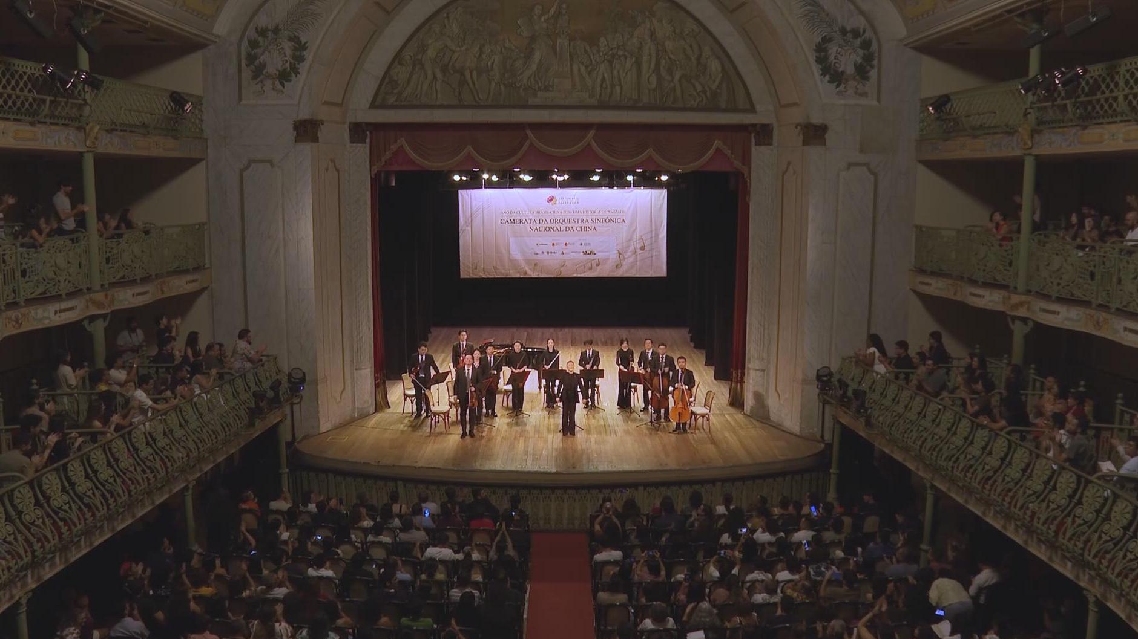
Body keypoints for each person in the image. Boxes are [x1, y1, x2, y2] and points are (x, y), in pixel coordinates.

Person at [455, 354, 482, 439]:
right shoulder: (459, 371)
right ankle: (463, 431)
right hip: (463, 395)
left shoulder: (477, 371)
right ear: (464, 360)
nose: (469, 360)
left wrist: (475, 388)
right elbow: (456, 384)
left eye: (470, 358)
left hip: (472, 396)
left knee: (472, 414)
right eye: (467, 358)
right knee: (463, 413)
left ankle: (471, 431)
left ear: (472, 360)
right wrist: (456, 395)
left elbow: (480, 383)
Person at [410, 342, 439, 418]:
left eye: (425, 350)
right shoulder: (414, 357)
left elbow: (434, 366)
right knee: (418, 396)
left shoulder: (429, 357)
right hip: (417, 379)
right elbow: (410, 368)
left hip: (427, 380)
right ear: (418, 349)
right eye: (422, 350)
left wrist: (438, 374)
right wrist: (411, 374)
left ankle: (428, 411)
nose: (424, 351)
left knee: (427, 396)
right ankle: (419, 411)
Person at [650, 343, 676, 424]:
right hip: (657, 380)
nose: (662, 350)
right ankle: (658, 414)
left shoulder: (670, 358)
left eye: (663, 349)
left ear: (666, 349)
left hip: (666, 380)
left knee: (665, 397)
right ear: (658, 350)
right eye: (660, 349)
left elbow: (674, 368)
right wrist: (657, 370)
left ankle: (666, 415)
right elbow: (651, 368)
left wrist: (668, 369)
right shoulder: (654, 358)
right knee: (657, 396)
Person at [670, 356, 696, 433]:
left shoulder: (689, 373)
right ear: (678, 364)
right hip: (677, 394)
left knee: (684, 408)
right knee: (677, 408)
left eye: (683, 362)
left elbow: (693, 383)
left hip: (686, 393)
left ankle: (684, 426)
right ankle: (677, 426)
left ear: (685, 363)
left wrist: (686, 387)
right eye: (680, 362)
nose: (681, 364)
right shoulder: (675, 372)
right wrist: (676, 385)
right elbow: (671, 382)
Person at [560, 360, 583, 437]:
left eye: (572, 365)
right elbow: (559, 386)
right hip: (565, 396)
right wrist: (557, 396)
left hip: (573, 396)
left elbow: (581, 386)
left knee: (572, 414)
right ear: (567, 367)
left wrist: (584, 397)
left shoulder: (577, 376)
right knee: (565, 413)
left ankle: (572, 430)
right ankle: (565, 431)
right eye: (569, 365)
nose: (571, 367)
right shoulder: (563, 375)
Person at [504, 341, 528, 412]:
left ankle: (520, 407)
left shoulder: (524, 354)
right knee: (514, 390)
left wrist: (521, 370)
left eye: (518, 346)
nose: (517, 347)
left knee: (521, 390)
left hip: (521, 374)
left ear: (521, 346)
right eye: (516, 346)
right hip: (514, 374)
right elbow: (509, 364)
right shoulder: (511, 354)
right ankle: (514, 407)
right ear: (514, 347)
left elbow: (526, 364)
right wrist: (514, 370)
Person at [578, 339, 600, 408]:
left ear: (591, 345)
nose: (588, 346)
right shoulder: (583, 353)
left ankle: (593, 402)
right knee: (586, 388)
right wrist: (585, 366)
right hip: (586, 373)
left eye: (589, 345)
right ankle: (586, 402)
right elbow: (580, 362)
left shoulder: (596, 352)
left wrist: (596, 366)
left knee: (593, 388)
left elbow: (598, 361)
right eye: (586, 345)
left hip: (593, 373)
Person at [540, 338, 561, 409]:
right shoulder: (545, 352)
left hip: (554, 372)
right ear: (547, 344)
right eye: (549, 343)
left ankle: (553, 402)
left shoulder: (557, 352)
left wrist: (556, 371)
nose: (550, 344)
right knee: (548, 387)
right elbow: (540, 361)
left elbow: (557, 363)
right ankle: (548, 402)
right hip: (547, 373)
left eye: (552, 343)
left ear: (553, 344)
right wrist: (544, 366)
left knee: (553, 387)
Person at [615, 338, 634, 409]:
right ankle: (621, 403)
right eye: (623, 343)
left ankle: (628, 403)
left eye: (626, 343)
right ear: (621, 344)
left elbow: (632, 360)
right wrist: (620, 366)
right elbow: (617, 361)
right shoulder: (619, 351)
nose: (625, 345)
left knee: (628, 386)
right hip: (622, 370)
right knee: (621, 386)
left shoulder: (630, 351)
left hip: (629, 370)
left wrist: (631, 363)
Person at [483, 347, 503, 417]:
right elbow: (481, 369)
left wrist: (496, 374)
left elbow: (499, 369)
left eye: (492, 349)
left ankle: (493, 410)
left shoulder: (497, 359)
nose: (491, 351)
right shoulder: (483, 359)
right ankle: (487, 411)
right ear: (486, 351)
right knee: (487, 395)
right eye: (489, 349)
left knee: (493, 395)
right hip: (486, 380)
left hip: (494, 380)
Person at [637, 338, 655, 411]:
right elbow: (639, 362)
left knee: (654, 390)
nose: (647, 345)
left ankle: (654, 406)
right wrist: (641, 368)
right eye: (646, 343)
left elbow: (657, 364)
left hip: (653, 375)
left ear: (651, 344)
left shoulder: (655, 353)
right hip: (645, 374)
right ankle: (646, 405)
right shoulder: (642, 353)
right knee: (645, 390)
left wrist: (652, 369)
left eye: (649, 343)